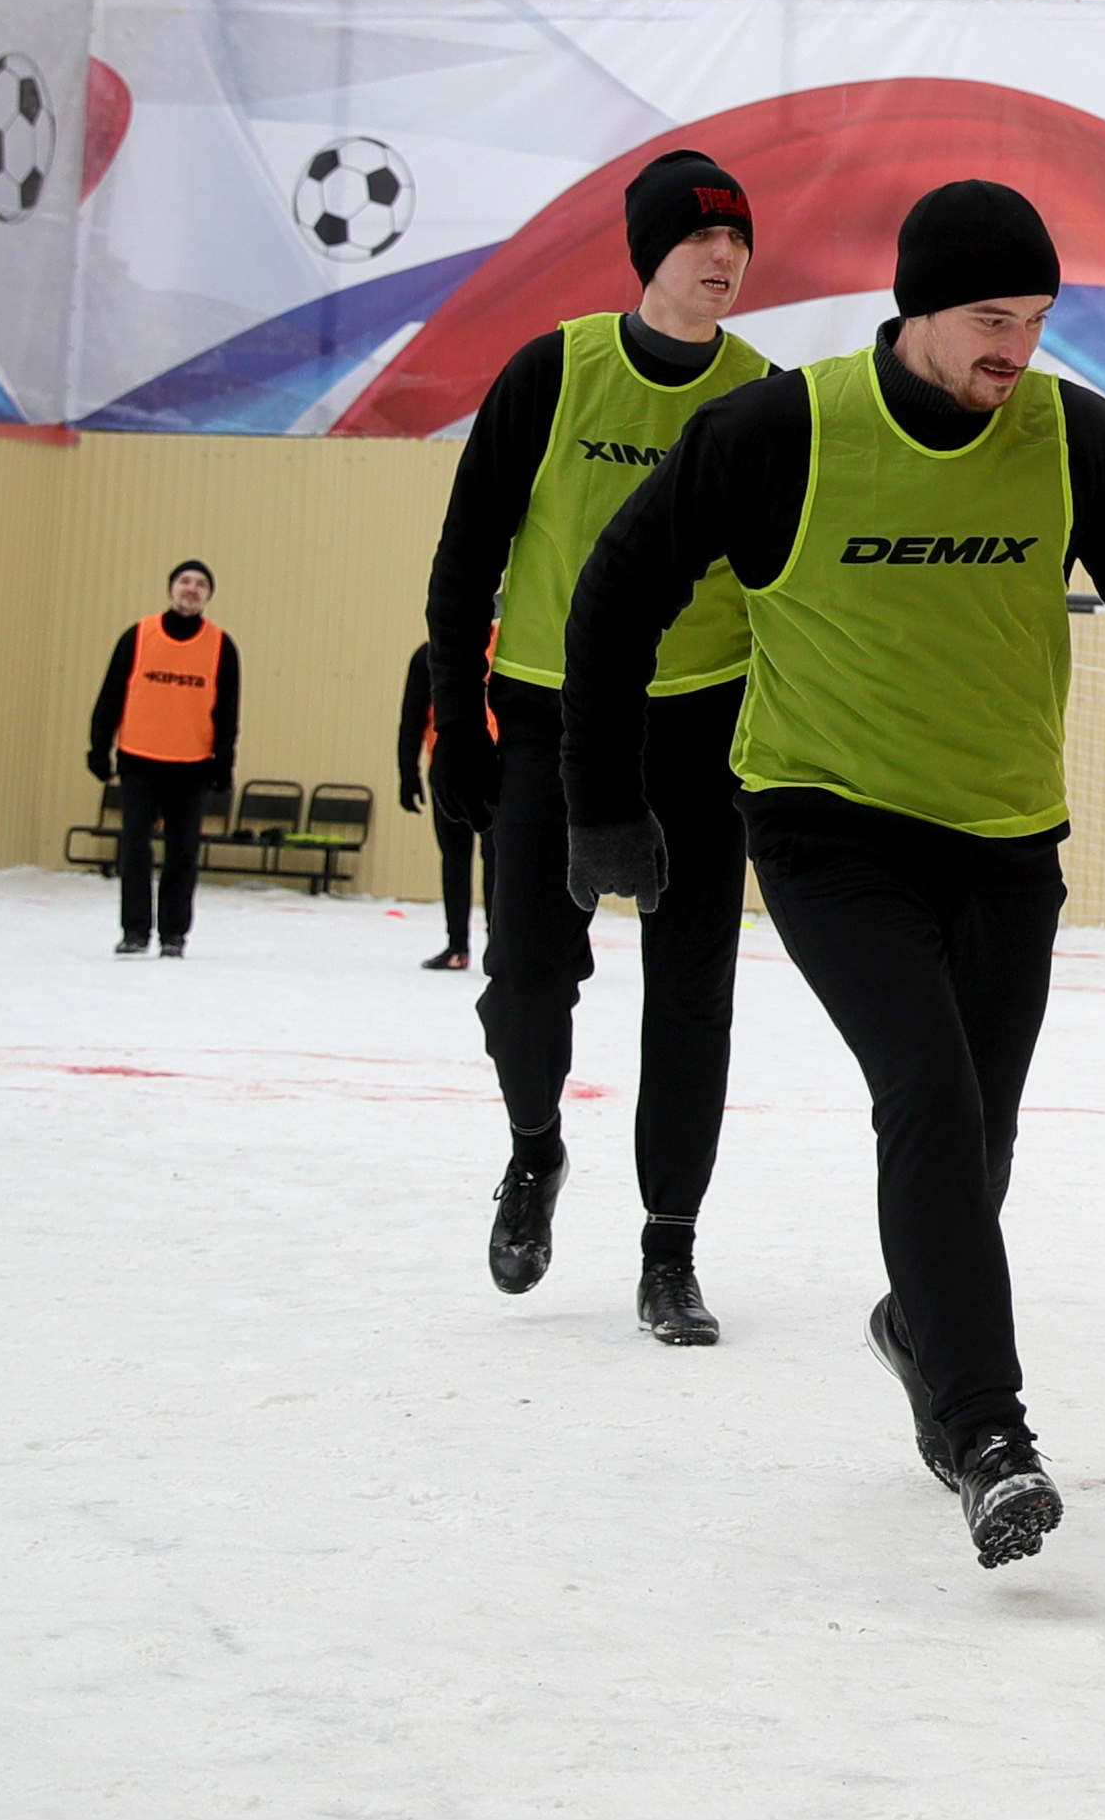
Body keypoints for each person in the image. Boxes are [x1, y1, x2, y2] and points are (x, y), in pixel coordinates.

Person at [558, 179, 1105, 1569]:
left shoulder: (1074, 438)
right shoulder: (785, 431)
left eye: (1038, 322)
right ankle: (989, 1435)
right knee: (925, 1092)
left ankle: (918, 1324)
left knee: (974, 1137)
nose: (1016, 349)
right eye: (992, 320)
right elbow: (617, 591)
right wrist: (602, 807)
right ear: (917, 310)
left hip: (1004, 838)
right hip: (826, 824)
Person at [422, 149, 770, 1346]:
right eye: (701, 238)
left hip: (701, 720)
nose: (724, 257)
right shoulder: (553, 372)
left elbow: (794, 586)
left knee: (692, 1000)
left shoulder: (764, 396)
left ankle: (669, 1251)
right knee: (527, 978)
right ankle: (534, 1153)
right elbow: (468, 553)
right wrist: (457, 719)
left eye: (740, 240)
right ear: (650, 252)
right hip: (548, 716)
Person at [86, 558, 239, 960]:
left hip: (192, 765)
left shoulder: (221, 646)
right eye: (185, 581)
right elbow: (110, 697)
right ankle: (135, 930)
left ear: (208, 596)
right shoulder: (138, 636)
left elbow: (227, 713)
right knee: (135, 849)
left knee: (183, 854)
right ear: (171, 589)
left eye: (201, 584)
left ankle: (174, 934)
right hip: (139, 760)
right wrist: (99, 748)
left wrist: (224, 764)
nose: (191, 589)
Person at [396, 640, 494, 972]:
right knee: (456, 856)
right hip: (449, 769)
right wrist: (407, 773)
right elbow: (412, 715)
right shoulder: (429, 654)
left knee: (496, 861)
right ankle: (457, 945)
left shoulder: (504, 650)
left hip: (498, 769)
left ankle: (497, 943)